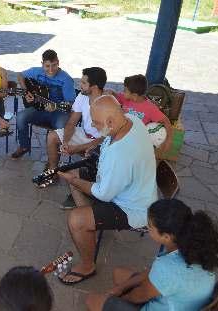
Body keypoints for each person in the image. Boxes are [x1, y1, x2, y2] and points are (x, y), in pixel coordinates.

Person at [57, 95, 158, 284]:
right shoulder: (132, 120)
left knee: (76, 218)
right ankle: (91, 226)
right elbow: (105, 144)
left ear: (110, 121)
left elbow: (103, 193)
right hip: (137, 189)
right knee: (77, 174)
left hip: (133, 209)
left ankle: (88, 266)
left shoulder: (121, 155)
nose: (93, 127)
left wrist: (73, 180)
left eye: (95, 123)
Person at [86, 199, 218, 311]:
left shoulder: (166, 267)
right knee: (119, 274)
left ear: (166, 236)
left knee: (92, 300)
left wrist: (118, 298)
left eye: (150, 227)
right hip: (181, 301)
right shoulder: (193, 247)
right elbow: (153, 274)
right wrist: (120, 288)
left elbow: (138, 296)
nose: (147, 228)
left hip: (163, 304)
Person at [42, 67, 106, 188]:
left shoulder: (107, 103)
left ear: (95, 87)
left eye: (83, 83)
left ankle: (87, 188)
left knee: (91, 155)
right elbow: (71, 122)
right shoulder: (82, 96)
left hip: (101, 142)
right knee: (52, 136)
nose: (80, 85)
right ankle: (53, 171)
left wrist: (77, 148)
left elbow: (106, 138)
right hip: (85, 134)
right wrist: (65, 142)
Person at [11, 49, 76, 159]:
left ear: (58, 62)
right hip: (41, 108)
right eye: (47, 66)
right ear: (42, 64)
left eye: (54, 65)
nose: (51, 70)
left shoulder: (66, 79)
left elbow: (71, 103)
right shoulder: (37, 71)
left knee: (59, 127)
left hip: (59, 111)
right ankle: (24, 146)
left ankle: (53, 161)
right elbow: (20, 75)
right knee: (21, 116)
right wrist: (26, 91)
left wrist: (55, 106)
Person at [105, 74, 173, 156]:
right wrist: (112, 92)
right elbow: (116, 96)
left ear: (134, 95)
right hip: (120, 137)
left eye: (125, 90)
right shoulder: (125, 98)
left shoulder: (150, 108)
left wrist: (168, 140)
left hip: (136, 142)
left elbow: (166, 121)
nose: (123, 92)